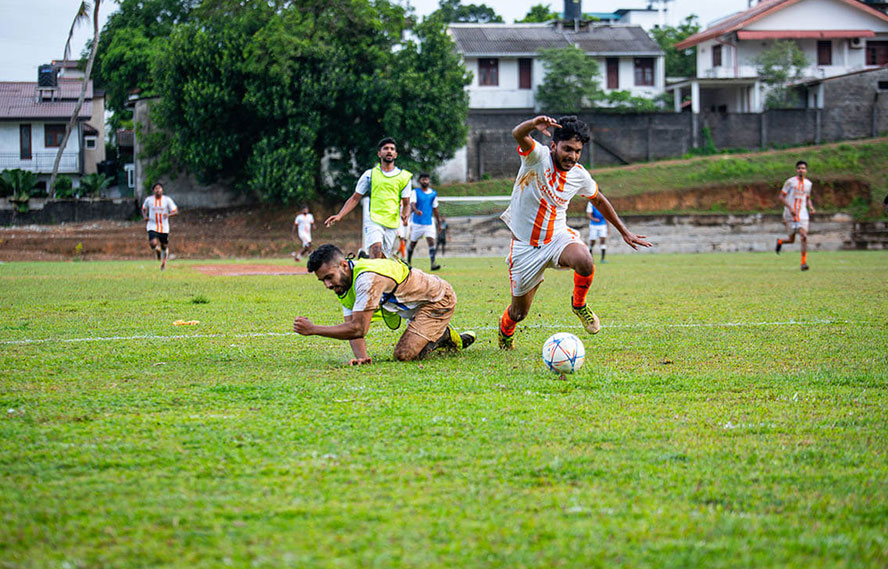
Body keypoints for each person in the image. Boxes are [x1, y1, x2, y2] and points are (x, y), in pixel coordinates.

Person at [497, 115, 651, 350]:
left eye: (577, 151)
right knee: (519, 313)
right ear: (553, 145)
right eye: (567, 149)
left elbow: (598, 200)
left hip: (557, 239)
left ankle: (579, 305)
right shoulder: (536, 157)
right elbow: (518, 133)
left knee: (584, 260)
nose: (572, 156)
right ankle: (506, 330)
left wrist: (624, 231)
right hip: (525, 248)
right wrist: (532, 124)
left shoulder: (579, 175)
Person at [294, 244, 476, 363]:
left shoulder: (366, 279)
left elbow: (358, 329)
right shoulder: (343, 283)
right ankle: (435, 333)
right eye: (323, 280)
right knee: (412, 352)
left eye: (329, 277)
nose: (327, 285)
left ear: (343, 265)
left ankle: (444, 335)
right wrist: (362, 358)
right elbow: (352, 326)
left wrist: (313, 329)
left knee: (404, 355)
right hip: (415, 307)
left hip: (437, 299)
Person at [325, 138, 412, 258]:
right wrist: (340, 215)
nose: (389, 151)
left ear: (395, 155)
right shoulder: (369, 175)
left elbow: (406, 203)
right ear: (379, 153)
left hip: (392, 222)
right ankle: (368, 258)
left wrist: (406, 214)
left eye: (392, 149)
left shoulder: (404, 177)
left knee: (382, 259)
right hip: (373, 219)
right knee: (376, 249)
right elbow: (355, 198)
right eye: (386, 148)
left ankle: (364, 258)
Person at [775, 160, 816, 271]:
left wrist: (811, 207)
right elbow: (781, 196)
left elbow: (808, 198)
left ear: (806, 170)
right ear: (796, 170)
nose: (801, 170)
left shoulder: (808, 184)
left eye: (803, 168)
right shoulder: (790, 182)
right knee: (791, 239)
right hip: (790, 214)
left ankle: (803, 263)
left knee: (804, 236)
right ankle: (780, 241)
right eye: (799, 168)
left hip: (802, 213)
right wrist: (790, 208)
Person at [407, 173, 442, 271]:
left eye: (426, 179)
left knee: (431, 241)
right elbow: (412, 204)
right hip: (417, 222)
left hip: (428, 222)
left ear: (429, 181)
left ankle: (433, 264)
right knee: (413, 243)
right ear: (420, 181)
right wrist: (416, 210)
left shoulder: (433, 194)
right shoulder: (415, 192)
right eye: (423, 179)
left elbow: (435, 209)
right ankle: (408, 262)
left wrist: (439, 223)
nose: (425, 181)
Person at [141, 182, 178, 271]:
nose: (158, 190)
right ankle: (157, 249)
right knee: (152, 243)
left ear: (162, 190)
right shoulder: (149, 200)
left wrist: (168, 214)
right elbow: (143, 209)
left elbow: (175, 211)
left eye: (159, 188)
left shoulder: (167, 200)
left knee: (164, 246)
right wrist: (145, 216)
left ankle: (163, 263)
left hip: (164, 226)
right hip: (152, 225)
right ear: (153, 190)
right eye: (156, 188)